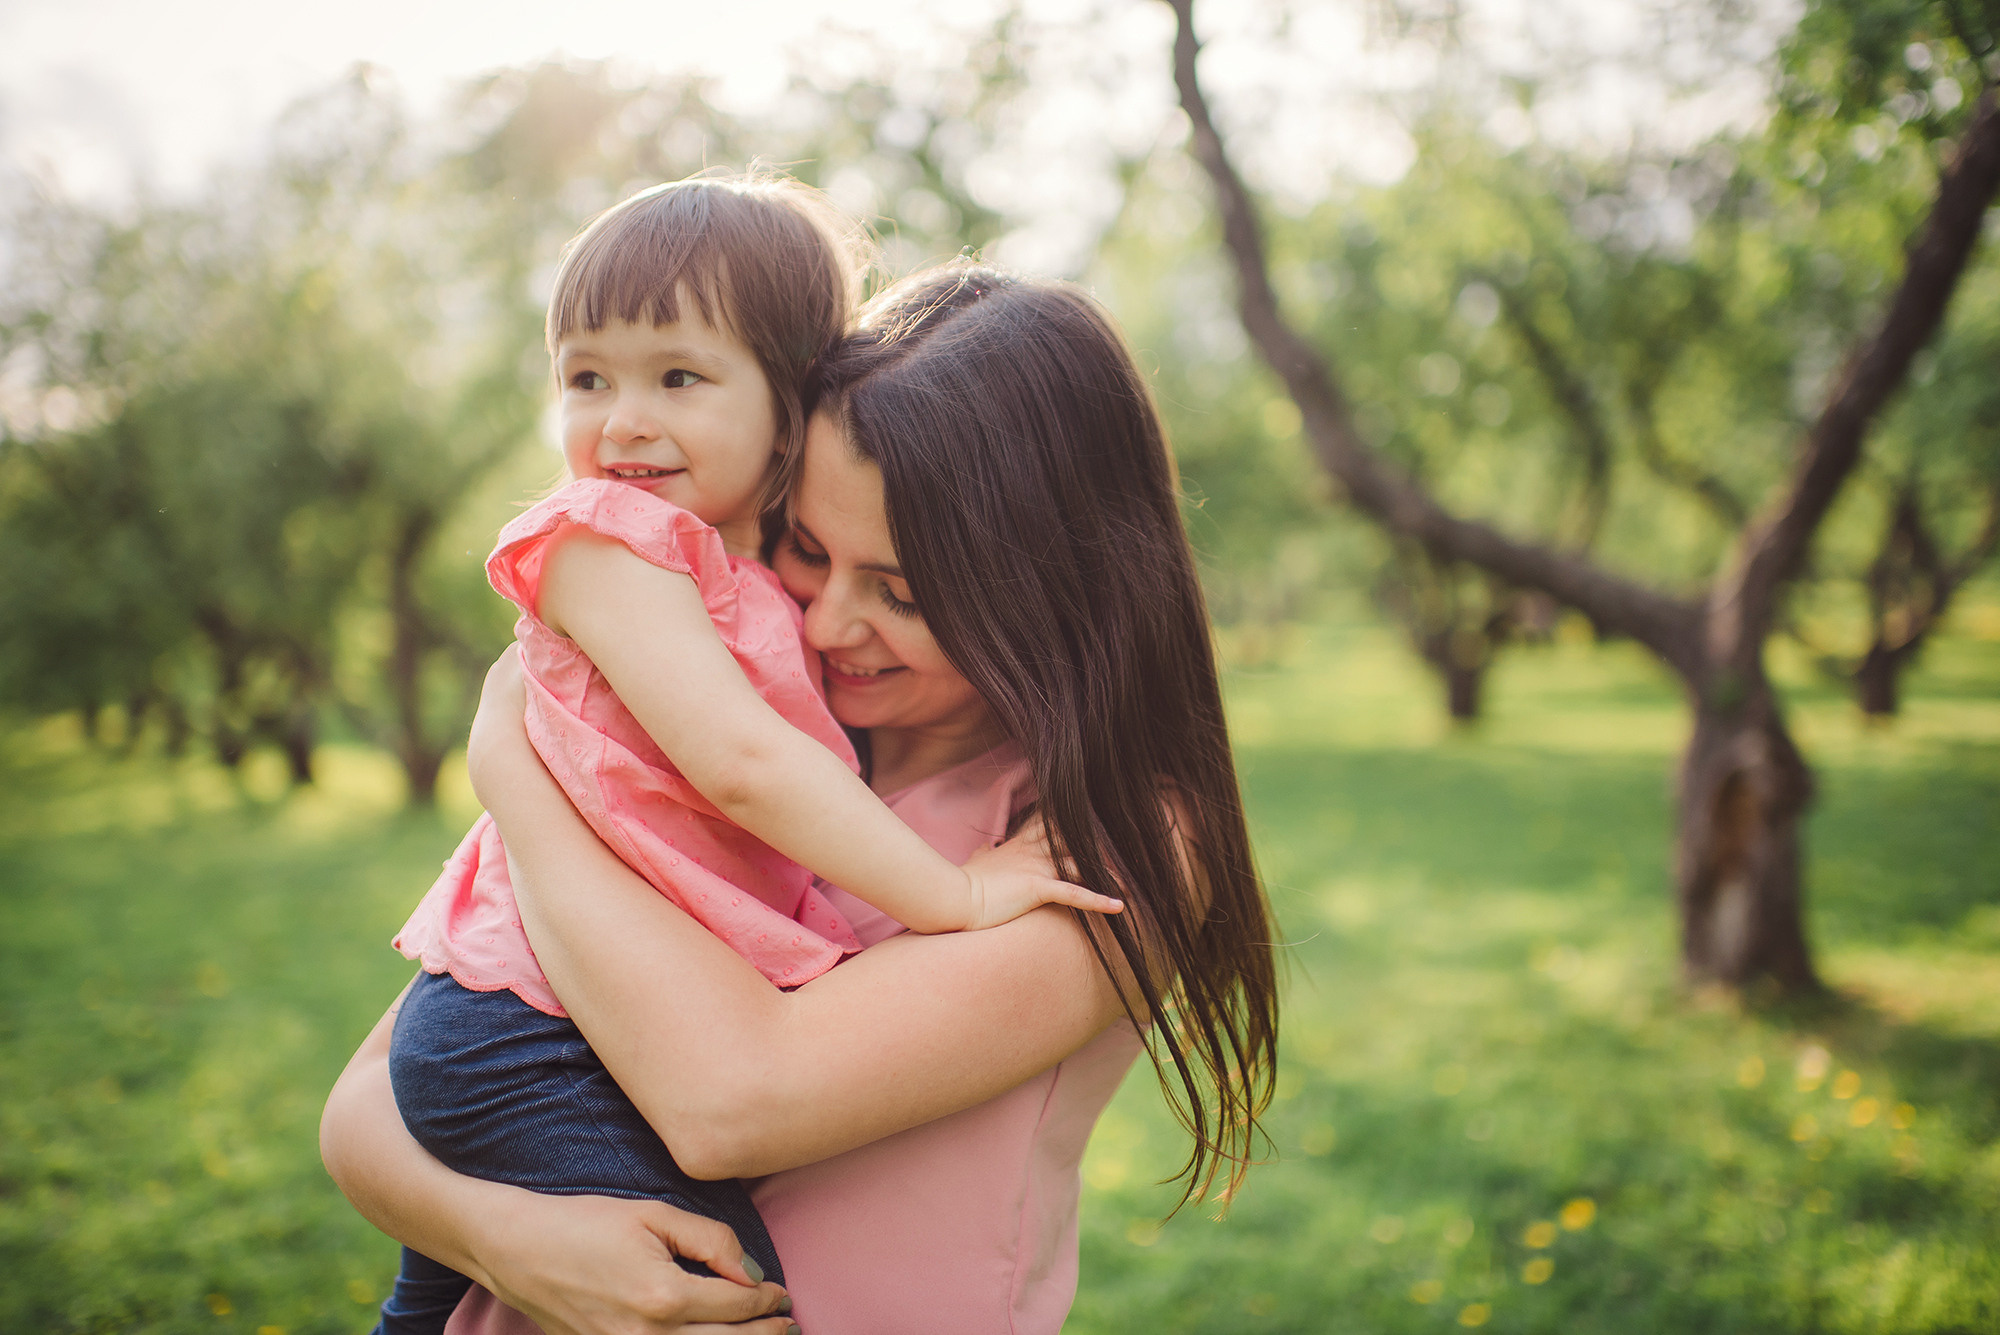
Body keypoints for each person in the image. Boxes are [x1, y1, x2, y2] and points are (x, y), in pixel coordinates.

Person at [321, 262, 1279, 1335]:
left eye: (903, 593)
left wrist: (510, 767)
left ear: (1055, 592)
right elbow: (364, 1101)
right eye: (805, 552)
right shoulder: (735, 741)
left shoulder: (1109, 847)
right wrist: (508, 1244)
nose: (825, 627)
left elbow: (727, 1104)